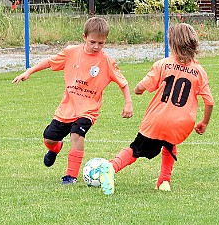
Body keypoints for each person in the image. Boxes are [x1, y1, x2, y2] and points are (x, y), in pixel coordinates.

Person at [12, 17, 133, 185]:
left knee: (77, 134)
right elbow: (50, 61)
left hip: (88, 110)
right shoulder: (71, 52)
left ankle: (71, 176)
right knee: (49, 139)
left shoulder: (106, 61)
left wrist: (128, 103)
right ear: (84, 37)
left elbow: (123, 83)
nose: (96, 46)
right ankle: (55, 148)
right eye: (92, 42)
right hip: (67, 109)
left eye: (101, 43)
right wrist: (29, 72)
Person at [99, 23, 214, 195]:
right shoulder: (199, 72)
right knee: (169, 145)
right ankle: (164, 181)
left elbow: (142, 86)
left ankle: (110, 167)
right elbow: (209, 101)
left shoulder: (163, 65)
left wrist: (138, 89)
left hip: (156, 120)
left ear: (171, 44)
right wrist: (204, 122)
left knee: (136, 149)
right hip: (181, 124)